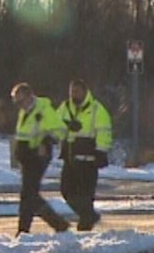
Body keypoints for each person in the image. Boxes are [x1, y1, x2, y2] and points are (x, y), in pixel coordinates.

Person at [11, 82, 69, 237]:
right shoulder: (26, 111)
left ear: (30, 97)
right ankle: (29, 230)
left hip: (38, 156)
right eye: (17, 102)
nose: (19, 105)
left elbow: (60, 130)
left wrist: (46, 142)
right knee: (29, 195)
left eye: (21, 101)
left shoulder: (43, 110)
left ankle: (53, 225)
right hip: (27, 157)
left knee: (29, 194)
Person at [57, 79, 113, 231]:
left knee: (86, 196)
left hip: (88, 160)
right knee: (67, 192)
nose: (73, 95)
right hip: (70, 158)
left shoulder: (96, 109)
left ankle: (85, 228)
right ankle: (90, 216)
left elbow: (104, 131)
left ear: (85, 92)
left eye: (76, 91)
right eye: (71, 91)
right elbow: (55, 126)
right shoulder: (65, 107)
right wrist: (66, 126)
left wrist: (101, 152)